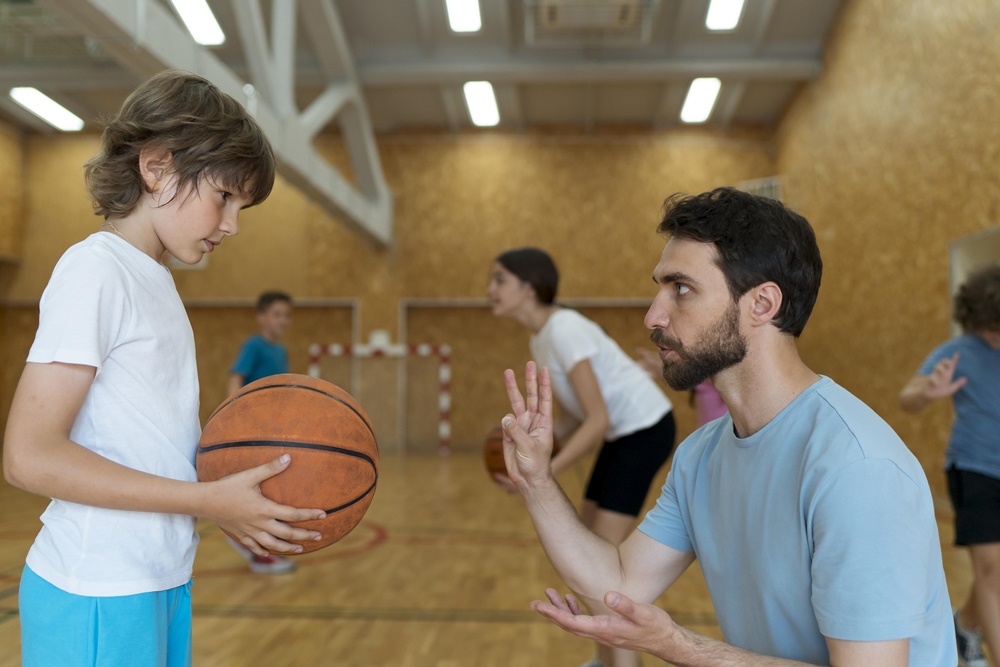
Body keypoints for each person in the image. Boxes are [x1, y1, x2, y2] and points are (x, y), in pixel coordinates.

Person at [499, 187, 955, 666]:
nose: (654, 316)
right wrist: (536, 481)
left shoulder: (856, 468)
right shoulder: (700, 456)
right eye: (660, 288)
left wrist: (676, 645)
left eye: (682, 289)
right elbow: (620, 582)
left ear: (762, 304)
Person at [2, 70, 326, 667]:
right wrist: (208, 502)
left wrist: (229, 495)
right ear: (156, 167)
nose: (231, 224)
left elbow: (148, 442)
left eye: (242, 206)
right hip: (96, 589)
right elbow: (29, 456)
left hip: (159, 578)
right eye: (224, 197)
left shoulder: (157, 283)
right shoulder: (95, 270)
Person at [487, 247, 676, 667]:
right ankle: (605, 658)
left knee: (607, 566)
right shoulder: (543, 336)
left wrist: (542, 473)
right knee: (587, 549)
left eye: (499, 280)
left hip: (644, 430)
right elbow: (575, 415)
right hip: (622, 433)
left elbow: (597, 419)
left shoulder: (564, 329)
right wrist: (528, 455)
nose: (489, 290)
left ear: (529, 287)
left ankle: (624, 664)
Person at [899, 264, 1000, 667]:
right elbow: (909, 397)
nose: (995, 337)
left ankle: (965, 625)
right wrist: (929, 391)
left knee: (994, 572)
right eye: (989, 329)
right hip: (974, 469)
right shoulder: (957, 352)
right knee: (991, 570)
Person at [225, 290, 298, 574]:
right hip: (252, 432)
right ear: (262, 317)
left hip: (275, 431)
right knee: (259, 494)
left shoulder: (280, 351)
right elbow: (236, 377)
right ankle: (254, 549)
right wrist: (233, 415)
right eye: (277, 314)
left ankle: (263, 547)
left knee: (275, 493)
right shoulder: (254, 345)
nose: (283, 320)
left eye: (287, 315)